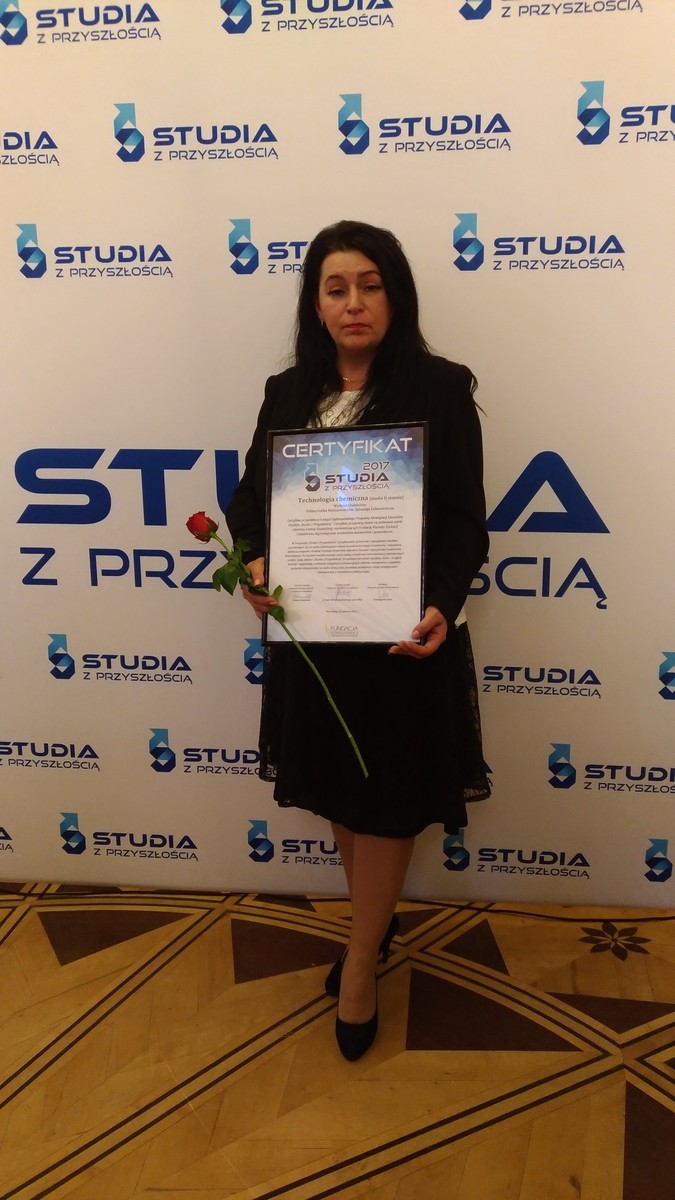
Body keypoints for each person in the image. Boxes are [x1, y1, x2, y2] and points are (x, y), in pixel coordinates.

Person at [226, 220, 490, 1061]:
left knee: (387, 802)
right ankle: (372, 931)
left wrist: (441, 602)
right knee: (343, 795)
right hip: (315, 637)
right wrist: (254, 562)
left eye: (370, 285)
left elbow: (464, 520)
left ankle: (358, 966)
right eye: (335, 288)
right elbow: (247, 502)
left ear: (395, 295)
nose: (353, 303)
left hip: (400, 638)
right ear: (315, 303)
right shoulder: (286, 391)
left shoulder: (439, 388)